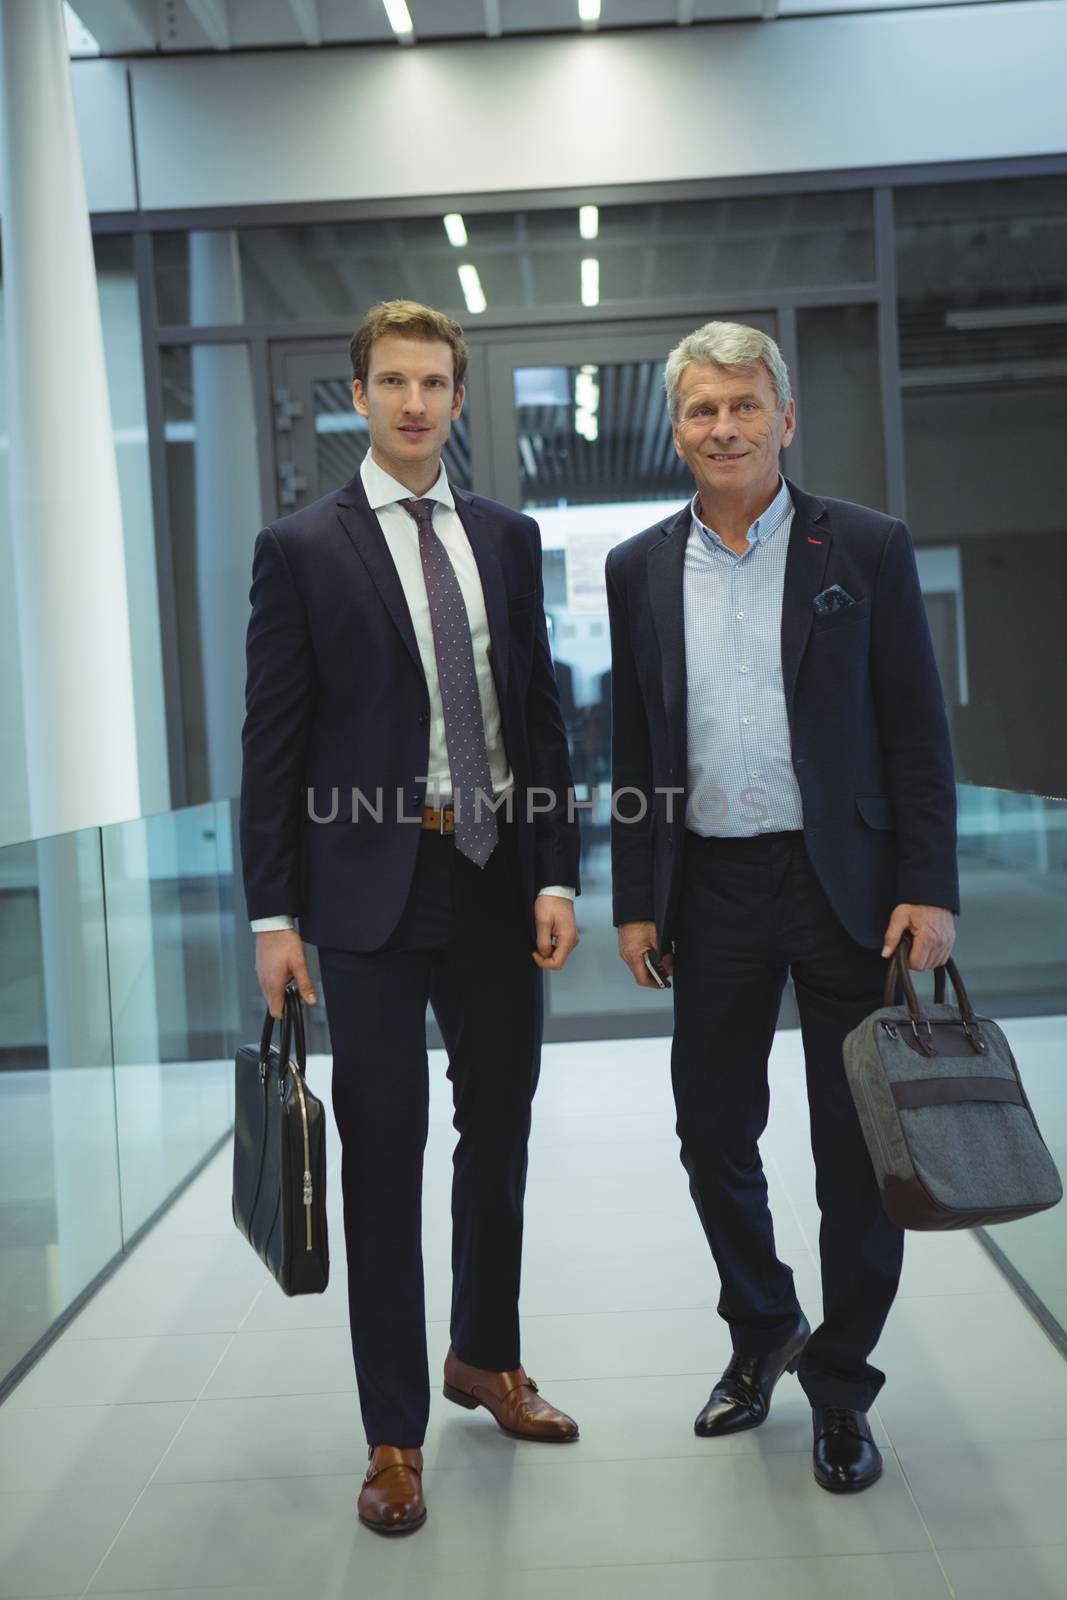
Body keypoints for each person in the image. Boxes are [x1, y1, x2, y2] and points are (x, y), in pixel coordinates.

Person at [240, 300, 582, 1536]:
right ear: (358, 394)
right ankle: (392, 1433)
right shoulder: (302, 548)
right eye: (392, 381)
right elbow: (271, 746)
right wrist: (271, 915)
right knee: (382, 1155)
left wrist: (557, 873)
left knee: (499, 1132)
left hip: (495, 880)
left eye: (434, 381)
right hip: (364, 893)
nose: (415, 402)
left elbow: (538, 717)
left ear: (456, 392)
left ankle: (482, 1356)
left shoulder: (506, 533)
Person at [606, 321, 958, 1494]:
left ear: (783, 417)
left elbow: (914, 727)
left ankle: (841, 1382)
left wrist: (927, 886)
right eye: (701, 410)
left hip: (846, 889)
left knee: (856, 1140)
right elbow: (634, 740)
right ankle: (761, 1326)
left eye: (742, 407)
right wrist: (634, 894)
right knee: (711, 1128)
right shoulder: (637, 567)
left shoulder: (862, 546)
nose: (722, 427)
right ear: (677, 426)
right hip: (706, 883)